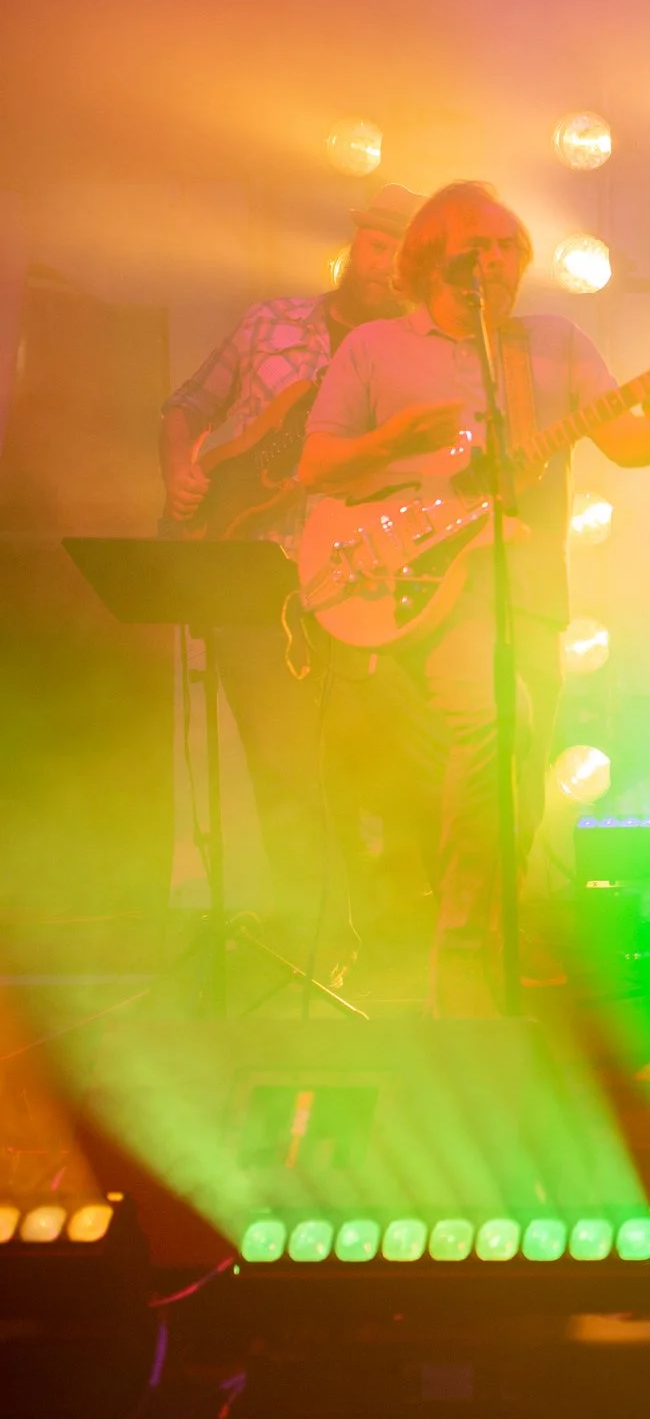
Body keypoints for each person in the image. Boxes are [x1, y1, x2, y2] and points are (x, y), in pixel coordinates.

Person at [298, 182, 650, 1014]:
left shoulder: (552, 343)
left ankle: (484, 946)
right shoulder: (375, 348)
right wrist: (395, 440)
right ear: (426, 258)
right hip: (417, 585)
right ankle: (461, 956)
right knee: (494, 720)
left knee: (518, 771)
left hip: (529, 585)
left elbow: (622, 439)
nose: (498, 260)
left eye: (509, 247)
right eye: (477, 246)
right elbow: (317, 467)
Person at [157, 184, 419, 971]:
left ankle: (382, 934)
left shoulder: (414, 352)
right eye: (378, 247)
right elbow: (188, 404)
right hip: (244, 567)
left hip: (355, 580)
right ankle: (313, 939)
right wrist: (180, 471)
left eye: (403, 257)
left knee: (358, 762)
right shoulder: (269, 323)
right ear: (354, 245)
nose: (385, 267)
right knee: (276, 762)